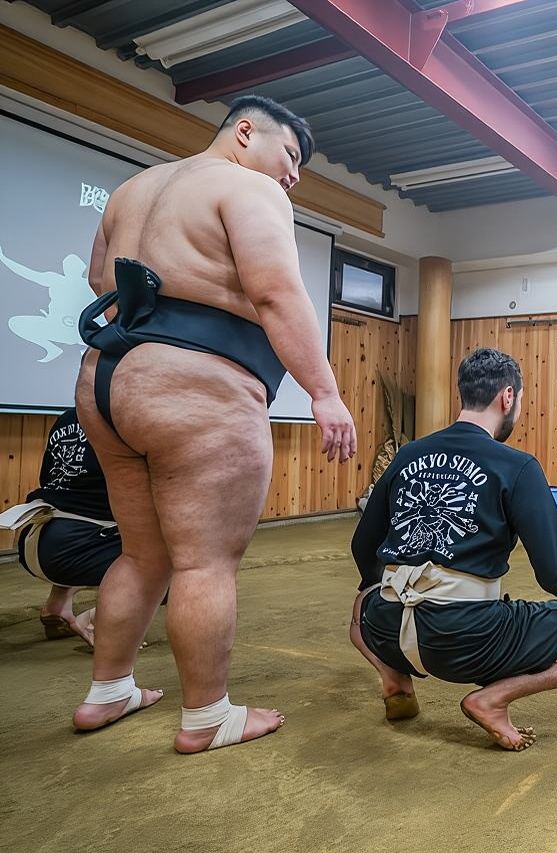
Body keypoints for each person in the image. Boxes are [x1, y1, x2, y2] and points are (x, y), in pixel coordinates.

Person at [69, 95, 357, 753]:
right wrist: (324, 390)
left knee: (143, 553)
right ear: (246, 132)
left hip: (106, 380)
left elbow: (97, 279)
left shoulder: (131, 189)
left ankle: (107, 689)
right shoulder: (245, 187)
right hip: (196, 385)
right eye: (290, 156)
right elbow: (275, 292)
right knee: (204, 561)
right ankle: (207, 716)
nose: (293, 176)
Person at [350, 348, 557, 751]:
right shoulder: (517, 466)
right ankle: (492, 698)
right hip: (468, 642)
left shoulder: (409, 453)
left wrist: (377, 595)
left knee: (361, 605)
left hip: (386, 629)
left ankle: (395, 676)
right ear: (507, 397)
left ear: (464, 395)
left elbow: (364, 544)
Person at [0, 408, 119, 646]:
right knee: (176, 565)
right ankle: (101, 620)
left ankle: (58, 605)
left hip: (36, 536)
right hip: (76, 549)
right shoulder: (129, 418)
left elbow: (49, 479)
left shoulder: (69, 416)